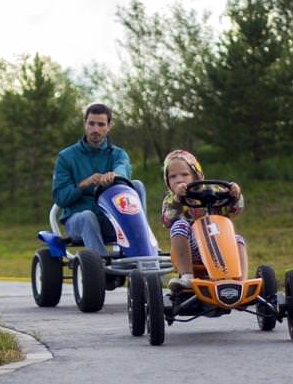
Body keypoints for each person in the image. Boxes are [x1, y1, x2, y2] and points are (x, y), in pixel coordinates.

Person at [51, 102, 147, 253]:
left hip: (111, 219)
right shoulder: (66, 157)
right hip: (78, 221)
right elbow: (60, 198)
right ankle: (100, 264)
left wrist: (115, 175)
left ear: (109, 126)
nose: (95, 129)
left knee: (136, 185)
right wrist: (83, 185)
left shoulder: (118, 154)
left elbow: (122, 168)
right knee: (88, 216)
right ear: (85, 124)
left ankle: (142, 249)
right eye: (92, 124)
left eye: (101, 124)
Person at [159, 149, 246, 291]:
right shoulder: (171, 199)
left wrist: (235, 195)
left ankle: (240, 281)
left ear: (196, 176)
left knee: (238, 239)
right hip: (192, 247)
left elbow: (234, 210)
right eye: (173, 176)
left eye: (184, 174)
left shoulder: (214, 191)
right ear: (167, 181)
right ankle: (187, 276)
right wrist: (177, 199)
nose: (179, 179)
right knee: (179, 225)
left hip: (218, 241)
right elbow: (167, 220)